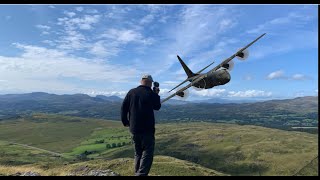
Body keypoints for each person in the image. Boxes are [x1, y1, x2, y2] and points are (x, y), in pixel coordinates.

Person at [121, 74, 161, 176]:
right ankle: (141, 174)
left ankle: (137, 173)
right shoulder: (150, 93)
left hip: (134, 128)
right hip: (147, 129)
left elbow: (123, 107)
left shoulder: (131, 92)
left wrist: (125, 122)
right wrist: (156, 94)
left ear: (141, 81)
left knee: (138, 153)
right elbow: (157, 106)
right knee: (147, 152)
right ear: (150, 83)